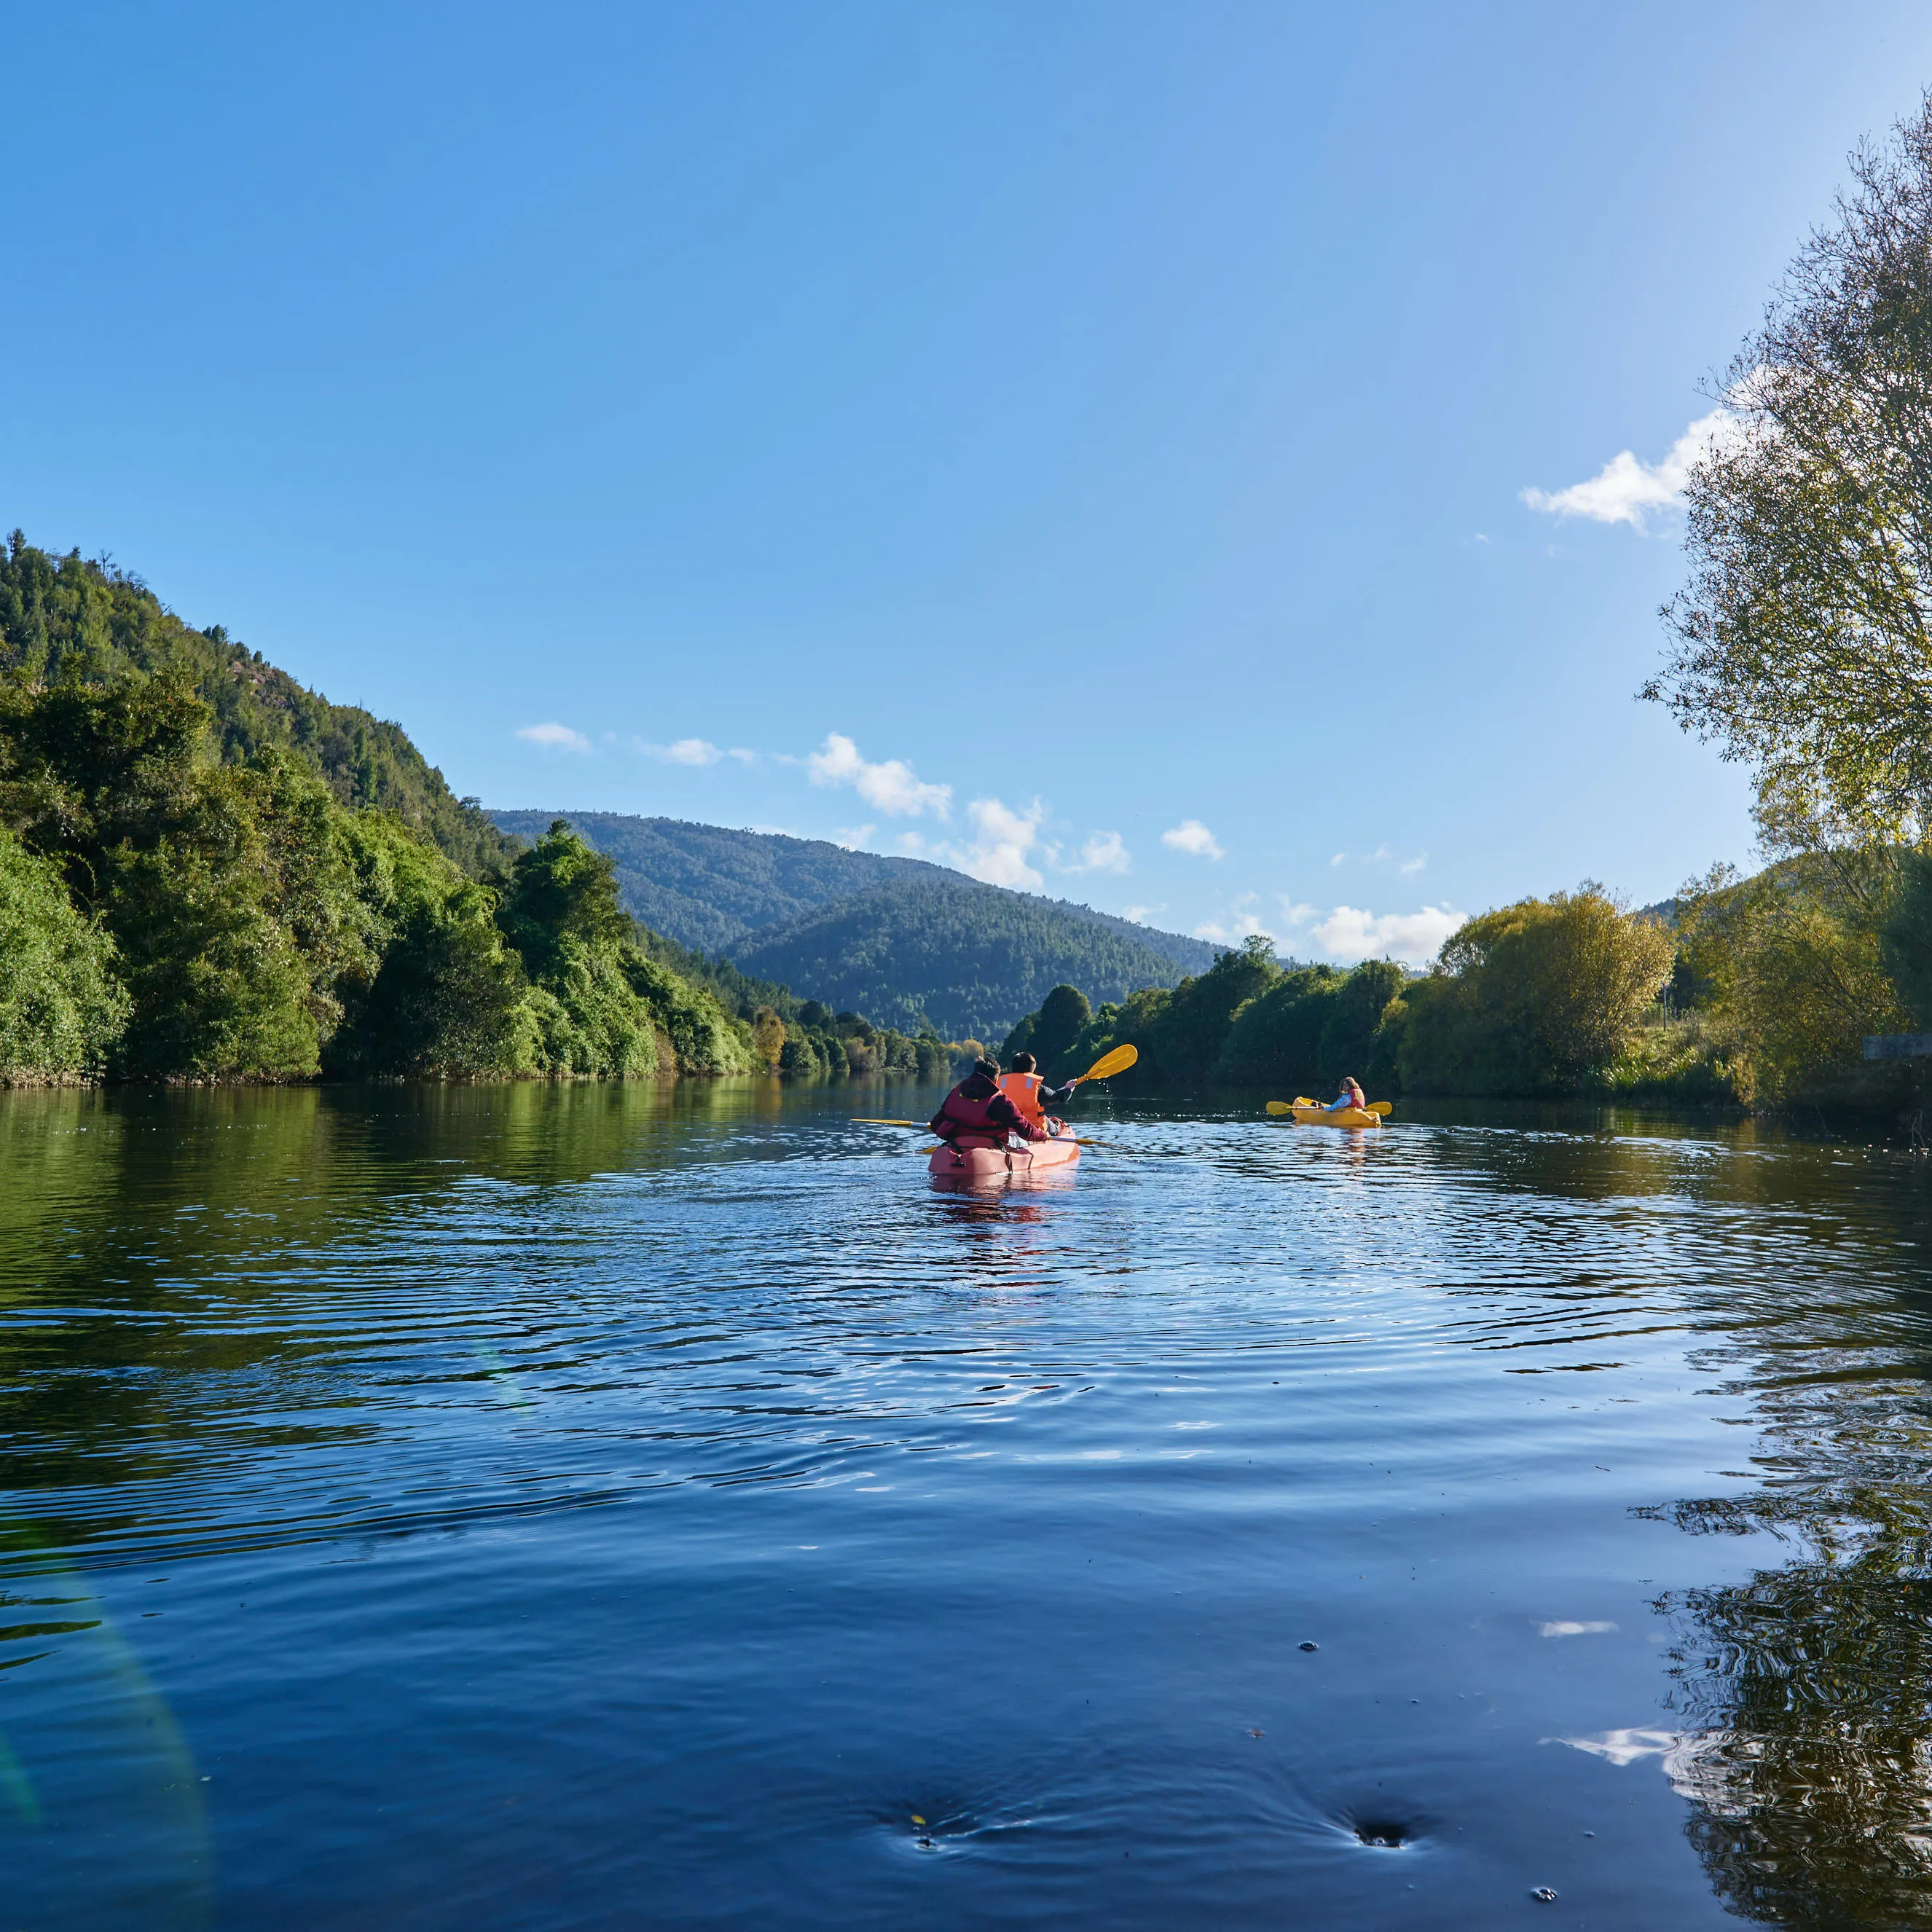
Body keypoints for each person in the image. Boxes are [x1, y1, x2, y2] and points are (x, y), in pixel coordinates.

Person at [930, 1056, 1051, 1151]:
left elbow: (936, 1125)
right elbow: (1027, 1131)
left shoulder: (955, 1093)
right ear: (996, 1080)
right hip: (991, 1146)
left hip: (957, 1143)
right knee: (1029, 1142)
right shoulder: (1001, 1102)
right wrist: (1043, 1135)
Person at [1000, 1052, 1082, 1137]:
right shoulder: (1036, 1088)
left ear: (1011, 1068)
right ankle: (1056, 1126)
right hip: (1033, 1129)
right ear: (1032, 1070)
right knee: (1057, 1127)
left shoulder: (1000, 1084)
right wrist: (1069, 1089)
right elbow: (1060, 1097)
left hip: (1005, 1127)